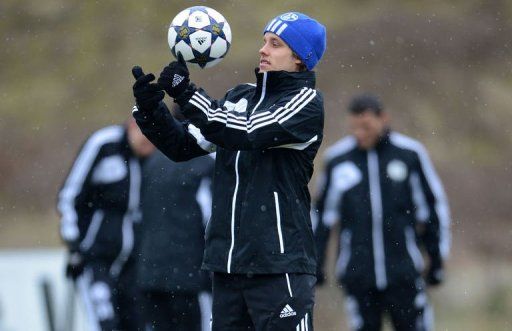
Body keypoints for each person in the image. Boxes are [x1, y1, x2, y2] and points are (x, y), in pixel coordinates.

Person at [131, 11, 326, 330]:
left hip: (280, 267)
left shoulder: (306, 102)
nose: (263, 50)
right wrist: (152, 110)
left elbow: (245, 131)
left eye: (275, 44)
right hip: (227, 267)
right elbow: (184, 146)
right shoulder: (239, 97)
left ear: (300, 60)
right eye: (264, 41)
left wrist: (187, 94)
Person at [314, 93, 451, 331]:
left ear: (383, 118)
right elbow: (322, 216)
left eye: (366, 126)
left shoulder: (410, 154)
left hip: (404, 273)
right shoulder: (337, 160)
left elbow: (432, 209)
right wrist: (315, 263)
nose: (360, 133)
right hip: (358, 274)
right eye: (354, 128)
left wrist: (436, 259)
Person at [57, 118, 155, 330]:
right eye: (145, 132)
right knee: (105, 324)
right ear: (131, 125)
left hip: (135, 264)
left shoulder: (160, 154)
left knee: (137, 324)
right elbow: (69, 195)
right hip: (96, 259)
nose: (149, 140)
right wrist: (74, 244)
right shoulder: (104, 144)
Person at [137, 126, 215, 331]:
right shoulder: (206, 163)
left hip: (150, 272)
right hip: (190, 276)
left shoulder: (153, 160)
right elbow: (212, 219)